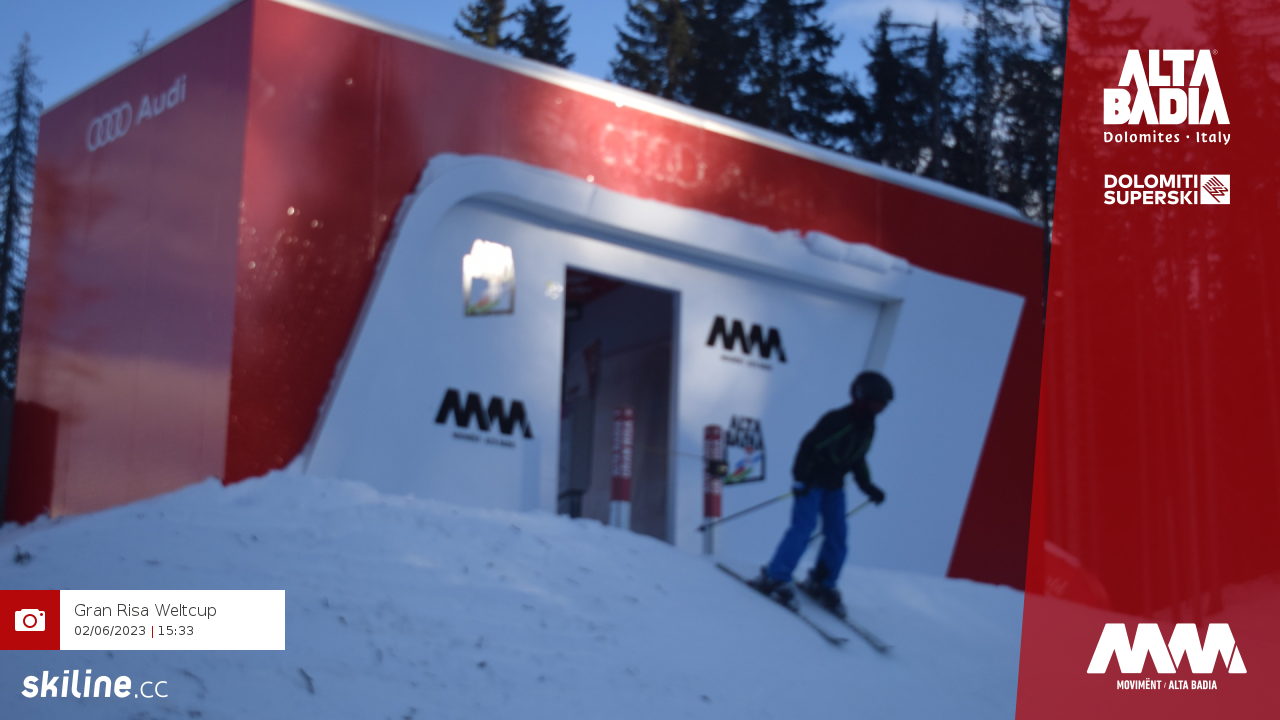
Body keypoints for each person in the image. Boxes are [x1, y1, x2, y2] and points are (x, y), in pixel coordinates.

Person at [748, 371, 893, 618]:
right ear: (862, 397)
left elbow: (858, 458)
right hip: (812, 483)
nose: (882, 408)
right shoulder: (838, 420)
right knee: (803, 529)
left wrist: (868, 486)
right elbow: (808, 446)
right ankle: (774, 577)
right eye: (878, 402)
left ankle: (822, 581)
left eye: (884, 404)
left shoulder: (868, 426)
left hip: (834, 487)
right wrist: (802, 478)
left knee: (838, 534)